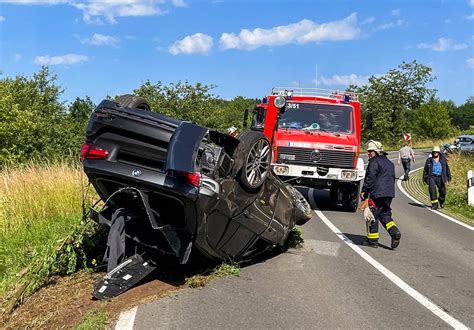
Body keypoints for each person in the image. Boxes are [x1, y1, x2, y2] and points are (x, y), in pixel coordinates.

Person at [360, 140, 401, 249]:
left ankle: (372, 241)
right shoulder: (389, 163)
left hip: (377, 193)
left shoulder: (373, 162)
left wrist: (364, 191)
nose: (368, 153)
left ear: (376, 152)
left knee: (371, 215)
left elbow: (370, 178)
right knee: (384, 214)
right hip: (389, 193)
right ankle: (394, 232)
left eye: (370, 151)